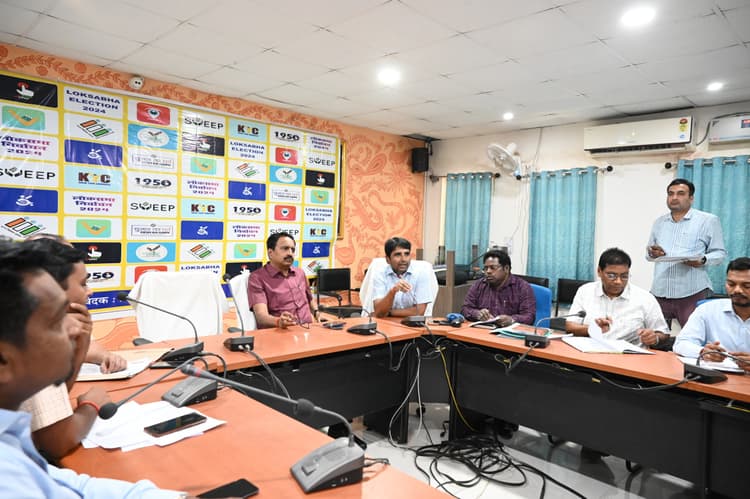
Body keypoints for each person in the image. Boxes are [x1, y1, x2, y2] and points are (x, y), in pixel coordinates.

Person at [0, 241, 182, 497]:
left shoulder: (9, 441)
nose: (75, 328)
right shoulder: (8, 481)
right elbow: (56, 443)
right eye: (57, 321)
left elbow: (66, 483)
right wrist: (91, 405)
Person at [17, 238, 124, 460]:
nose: (89, 292)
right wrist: (92, 405)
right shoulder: (35, 339)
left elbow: (55, 401)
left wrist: (81, 346)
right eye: (83, 284)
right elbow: (56, 442)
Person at [647, 178, 726, 327]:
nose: (674, 197)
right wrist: (653, 253)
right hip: (659, 291)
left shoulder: (708, 220)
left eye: (681, 193)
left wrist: (702, 260)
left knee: (693, 336)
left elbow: (719, 253)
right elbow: (649, 253)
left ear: (691, 198)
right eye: (671, 193)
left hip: (691, 292)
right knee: (654, 336)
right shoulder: (659, 222)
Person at [567, 248, 669, 347]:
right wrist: (592, 329)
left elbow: (664, 333)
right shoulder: (585, 291)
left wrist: (655, 338)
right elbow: (570, 326)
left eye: (624, 276)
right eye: (612, 276)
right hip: (590, 352)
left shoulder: (645, 298)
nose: (618, 281)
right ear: (599, 271)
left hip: (628, 355)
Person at [673, 257, 750, 372]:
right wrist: (703, 352)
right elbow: (681, 344)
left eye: (747, 286)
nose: (737, 290)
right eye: (731, 284)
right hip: (715, 376)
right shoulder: (707, 310)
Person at [247, 232, 319, 329]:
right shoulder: (257, 278)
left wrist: (316, 312)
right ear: (270, 253)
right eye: (285, 248)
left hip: (309, 329)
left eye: (292, 250)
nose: (290, 253)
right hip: (281, 331)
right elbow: (261, 316)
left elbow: (310, 299)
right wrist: (279, 321)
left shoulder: (300, 273)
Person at [461, 249, 535, 326]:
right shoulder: (479, 285)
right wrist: (477, 314)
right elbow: (465, 309)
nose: (488, 271)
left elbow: (529, 316)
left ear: (506, 268)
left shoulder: (522, 287)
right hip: (483, 329)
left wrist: (511, 319)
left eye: (493, 268)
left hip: (508, 331)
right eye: (486, 268)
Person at [372, 237, 433, 318]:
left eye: (406, 254)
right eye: (398, 255)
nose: (403, 259)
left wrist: (389, 312)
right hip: (386, 322)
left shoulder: (421, 273)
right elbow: (379, 312)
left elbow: (419, 312)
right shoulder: (380, 274)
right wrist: (393, 291)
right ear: (388, 259)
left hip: (411, 323)